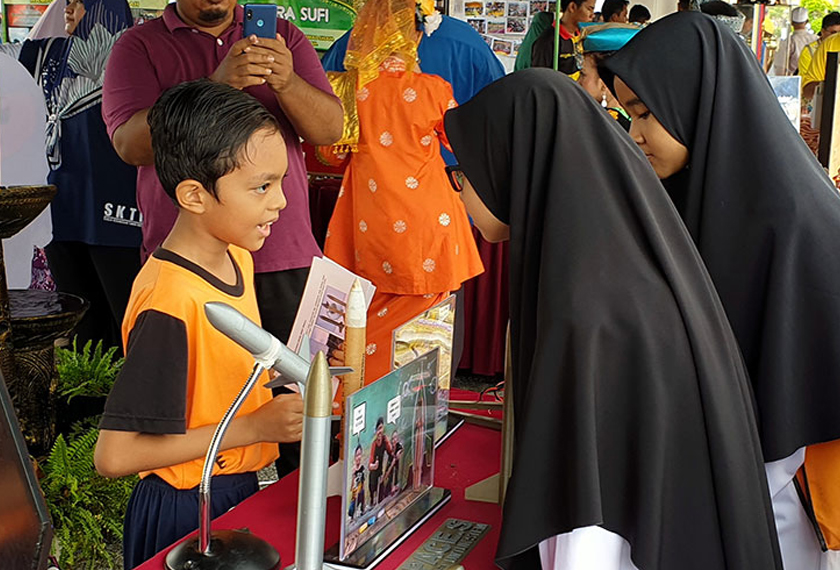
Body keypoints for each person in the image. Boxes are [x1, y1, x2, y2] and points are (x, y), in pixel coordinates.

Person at [444, 68, 782, 570]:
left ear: (510, 166)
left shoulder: (587, 310)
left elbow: (584, 516)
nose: (459, 196)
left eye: (464, 177)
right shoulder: (613, 265)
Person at [602, 12, 840, 569]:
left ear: (695, 100)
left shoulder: (794, 221)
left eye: (644, 114)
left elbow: (808, 378)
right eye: (626, 115)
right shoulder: (694, 192)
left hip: (784, 486)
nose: (634, 135)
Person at [94, 80, 304, 569]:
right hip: (184, 507)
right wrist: (254, 427)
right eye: (261, 187)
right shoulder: (171, 300)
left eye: (280, 181)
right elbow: (115, 456)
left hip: (231, 490)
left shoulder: (236, 258)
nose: (282, 202)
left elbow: (218, 377)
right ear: (194, 195)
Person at [101, 0, 343, 347]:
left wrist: (287, 82)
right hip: (190, 261)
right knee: (202, 389)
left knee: (296, 391)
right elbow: (129, 145)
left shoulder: (284, 36)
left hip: (284, 252)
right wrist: (216, 85)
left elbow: (330, 131)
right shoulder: (139, 44)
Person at [321, 0, 483, 384]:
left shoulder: (347, 88)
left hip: (367, 221)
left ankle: (349, 405)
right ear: (413, 35)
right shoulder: (432, 89)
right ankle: (410, 420)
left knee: (362, 317)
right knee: (426, 330)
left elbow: (329, 155)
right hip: (428, 226)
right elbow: (465, 146)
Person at [15, 0, 142, 352]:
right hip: (63, 213)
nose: (68, 8)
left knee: (125, 321)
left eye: (80, 2)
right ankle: (83, 398)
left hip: (119, 218)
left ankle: (119, 402)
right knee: (80, 323)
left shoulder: (139, 56)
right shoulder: (48, 54)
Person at [320, 3, 504, 166]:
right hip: (448, 183)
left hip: (369, 186)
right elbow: (498, 118)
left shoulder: (352, 44)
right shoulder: (464, 44)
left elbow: (326, 137)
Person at [575, 23, 640, 130]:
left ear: (604, 82)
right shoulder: (639, 121)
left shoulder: (600, 126)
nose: (578, 82)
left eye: (583, 74)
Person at [531, 0, 595, 74]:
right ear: (572, 7)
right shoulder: (548, 41)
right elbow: (541, 77)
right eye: (589, 9)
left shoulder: (582, 36)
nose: (592, 16)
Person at [773, 7, 817, 76]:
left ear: (791, 23)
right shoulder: (816, 39)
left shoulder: (788, 42)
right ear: (807, 22)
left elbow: (780, 67)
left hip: (794, 79)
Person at [799, 11, 840, 82]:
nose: (835, 36)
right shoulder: (809, 51)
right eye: (833, 33)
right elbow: (806, 82)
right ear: (823, 31)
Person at [367, 418, 392, 506]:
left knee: (381, 487)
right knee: (372, 485)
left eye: (381, 428)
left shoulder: (385, 440)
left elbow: (390, 452)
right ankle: (372, 501)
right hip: (374, 471)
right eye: (379, 429)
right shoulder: (374, 444)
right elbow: (370, 461)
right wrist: (373, 466)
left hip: (381, 470)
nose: (380, 431)